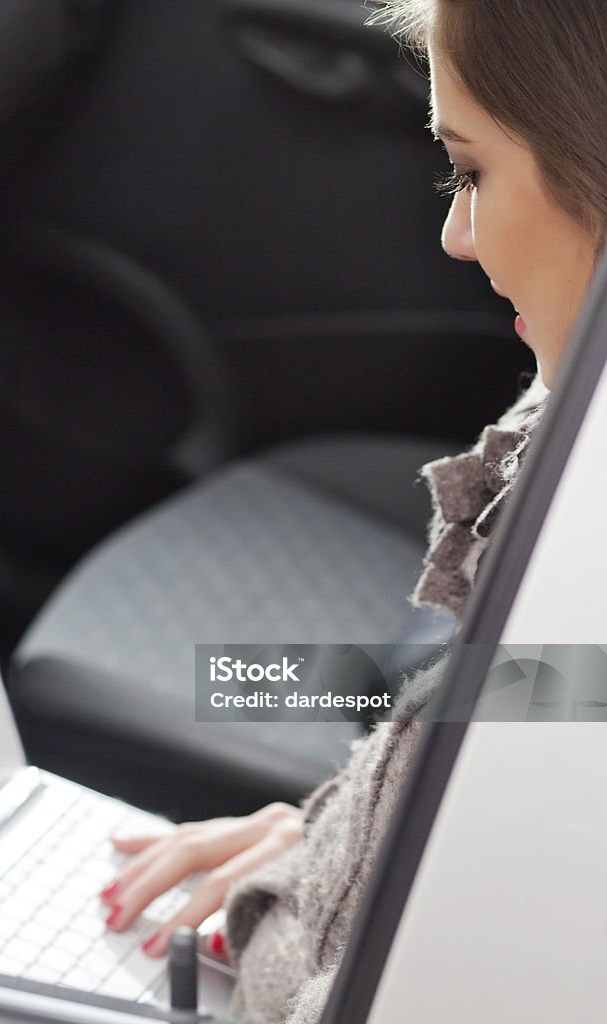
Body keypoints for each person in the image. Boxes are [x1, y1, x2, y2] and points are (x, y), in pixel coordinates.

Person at [101, 1, 604, 1021]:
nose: (455, 236)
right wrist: (338, 848)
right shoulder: (573, 412)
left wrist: (348, 905)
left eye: (471, 171)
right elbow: (558, 702)